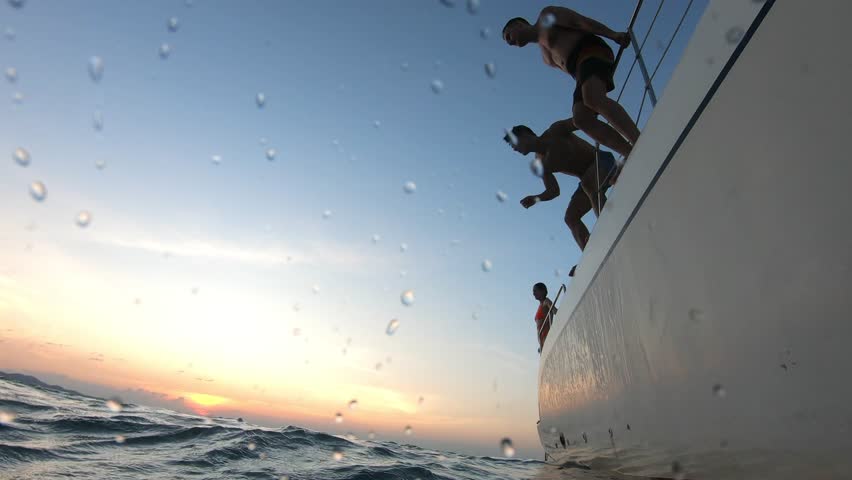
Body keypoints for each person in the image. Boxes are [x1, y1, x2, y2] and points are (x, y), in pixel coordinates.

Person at [502, 6, 640, 160]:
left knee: (592, 98)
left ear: (518, 24)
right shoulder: (546, 58)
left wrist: (612, 34)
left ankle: (638, 140)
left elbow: (579, 22)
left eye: (508, 35)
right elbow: (575, 75)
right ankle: (629, 153)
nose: (509, 41)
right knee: (581, 119)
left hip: (591, 50)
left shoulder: (546, 16)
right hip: (580, 71)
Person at [504, 120, 617, 252]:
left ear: (524, 134)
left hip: (603, 161)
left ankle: (612, 227)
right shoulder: (539, 164)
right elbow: (553, 191)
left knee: (588, 185)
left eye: (512, 142)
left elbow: (583, 121)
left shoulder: (555, 131)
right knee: (570, 217)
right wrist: (536, 198)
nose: (513, 148)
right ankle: (590, 255)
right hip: (588, 181)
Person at [533, 282, 557, 351]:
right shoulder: (539, 306)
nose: (533, 293)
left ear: (542, 291)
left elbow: (555, 312)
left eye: (535, 291)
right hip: (542, 341)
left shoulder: (546, 301)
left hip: (547, 338)